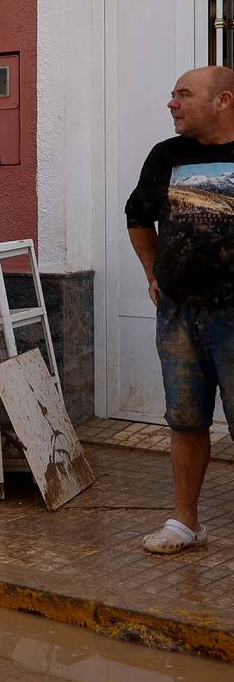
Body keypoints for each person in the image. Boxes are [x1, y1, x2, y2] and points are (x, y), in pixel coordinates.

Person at [125, 65, 234, 554]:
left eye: (184, 95)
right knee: (185, 420)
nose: (172, 103)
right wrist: (153, 273)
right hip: (179, 314)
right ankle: (185, 523)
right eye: (172, 95)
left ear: (223, 101)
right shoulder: (166, 157)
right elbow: (138, 215)